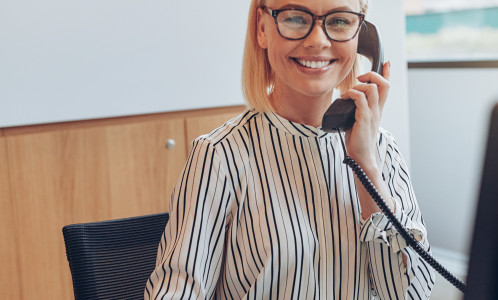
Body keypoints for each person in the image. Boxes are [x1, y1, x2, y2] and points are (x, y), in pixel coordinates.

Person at [144, 0, 436, 298]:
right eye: (295, 18)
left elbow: (410, 294)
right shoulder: (220, 155)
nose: (318, 41)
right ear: (262, 27)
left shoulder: (381, 149)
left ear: (361, 33)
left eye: (339, 21)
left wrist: (366, 167)